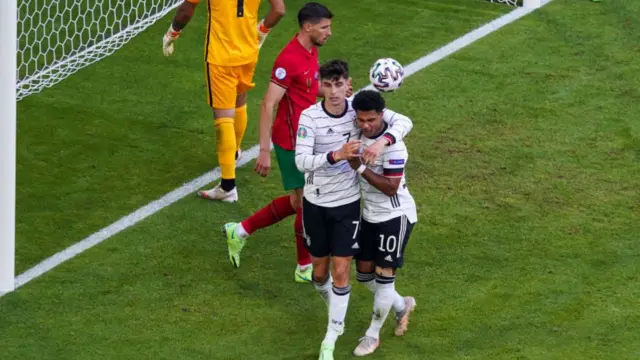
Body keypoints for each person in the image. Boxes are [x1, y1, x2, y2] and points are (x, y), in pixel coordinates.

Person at [294, 60, 413, 360]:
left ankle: (362, 335)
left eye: (339, 84)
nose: (364, 125)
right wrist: (339, 155)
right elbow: (302, 161)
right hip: (352, 210)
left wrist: (379, 146)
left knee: (373, 274)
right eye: (328, 84)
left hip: (382, 212)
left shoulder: (383, 135)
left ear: (348, 83)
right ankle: (401, 305)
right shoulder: (331, 116)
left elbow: (403, 126)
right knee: (354, 276)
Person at [220, 2, 335, 283]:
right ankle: (303, 267)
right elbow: (268, 103)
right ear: (308, 27)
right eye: (325, 27)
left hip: (308, 138)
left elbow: (309, 87)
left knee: (299, 201)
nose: (329, 32)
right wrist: (263, 151)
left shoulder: (311, 50)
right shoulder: (288, 59)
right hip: (291, 142)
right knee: (306, 203)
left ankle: (241, 230)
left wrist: (335, 92)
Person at [161, 0, 286, 202]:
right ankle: (234, 151)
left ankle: (227, 185)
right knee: (239, 102)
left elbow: (186, 10)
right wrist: (262, 30)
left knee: (223, 116)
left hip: (221, 56)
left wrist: (172, 33)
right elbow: (279, 10)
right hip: (248, 52)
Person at [347, 90, 418, 356]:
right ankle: (401, 305)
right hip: (370, 215)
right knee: (364, 276)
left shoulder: (395, 147)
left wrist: (360, 168)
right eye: (361, 119)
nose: (365, 125)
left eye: (371, 120)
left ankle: (372, 335)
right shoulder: (359, 132)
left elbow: (390, 188)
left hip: (395, 216)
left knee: (384, 277)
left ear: (382, 115)